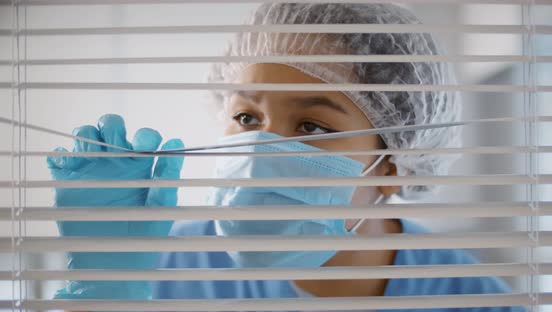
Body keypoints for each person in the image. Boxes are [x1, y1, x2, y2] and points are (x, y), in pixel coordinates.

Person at [47, 3, 523, 312]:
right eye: (248, 118)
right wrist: (100, 290)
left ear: (393, 167)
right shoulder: (161, 269)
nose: (260, 150)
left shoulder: (471, 299)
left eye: (313, 126)